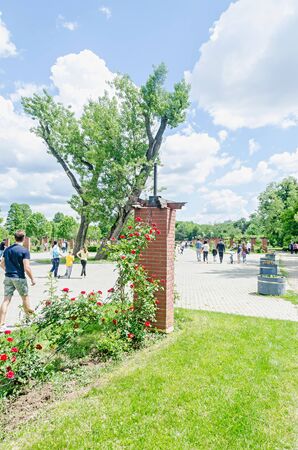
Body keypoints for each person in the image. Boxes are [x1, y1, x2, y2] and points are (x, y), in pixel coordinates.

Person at [0, 230, 35, 331]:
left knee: (6, 300)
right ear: (24, 238)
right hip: (19, 278)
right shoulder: (24, 251)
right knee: (25, 298)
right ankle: (28, 320)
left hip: (8, 277)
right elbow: (27, 267)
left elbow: (1, 263)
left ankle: (1, 324)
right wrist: (32, 279)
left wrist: (8, 270)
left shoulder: (7, 250)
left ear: (14, 238)